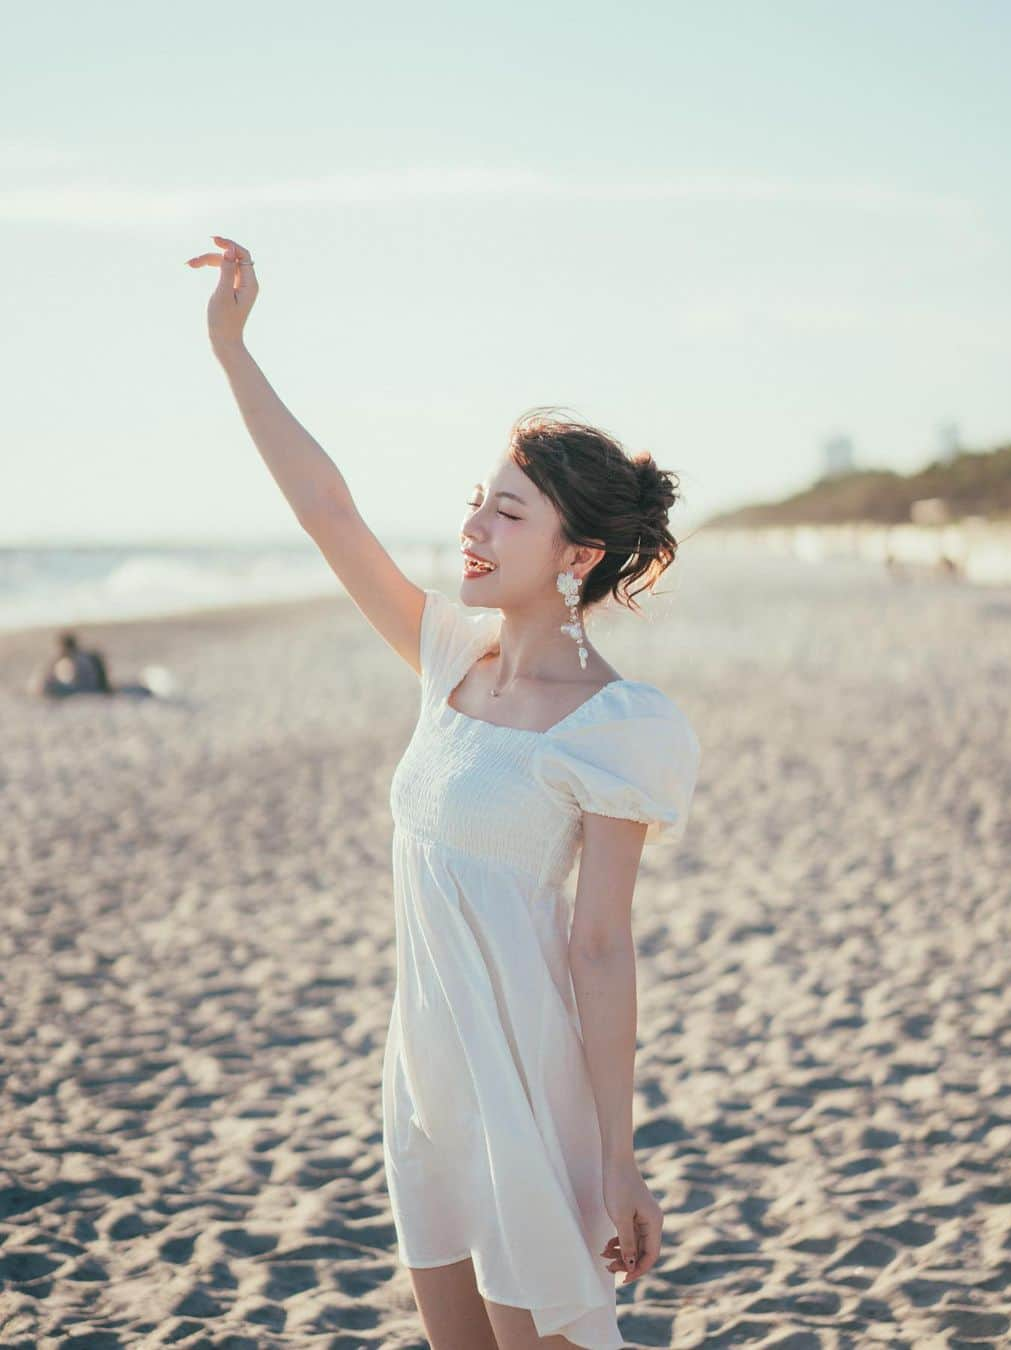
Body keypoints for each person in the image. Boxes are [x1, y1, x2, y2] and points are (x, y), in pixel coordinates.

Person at [188, 235, 702, 1350]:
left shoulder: (620, 727)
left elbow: (601, 947)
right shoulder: (446, 654)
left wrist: (618, 1157)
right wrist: (234, 353)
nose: (474, 527)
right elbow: (330, 510)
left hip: (524, 1085)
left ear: (580, 553)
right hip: (424, 1077)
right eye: (479, 501)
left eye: (509, 514)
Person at [30, 631, 112, 698]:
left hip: (91, 689)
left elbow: (81, 682)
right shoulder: (86, 656)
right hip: (94, 687)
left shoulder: (80, 659)